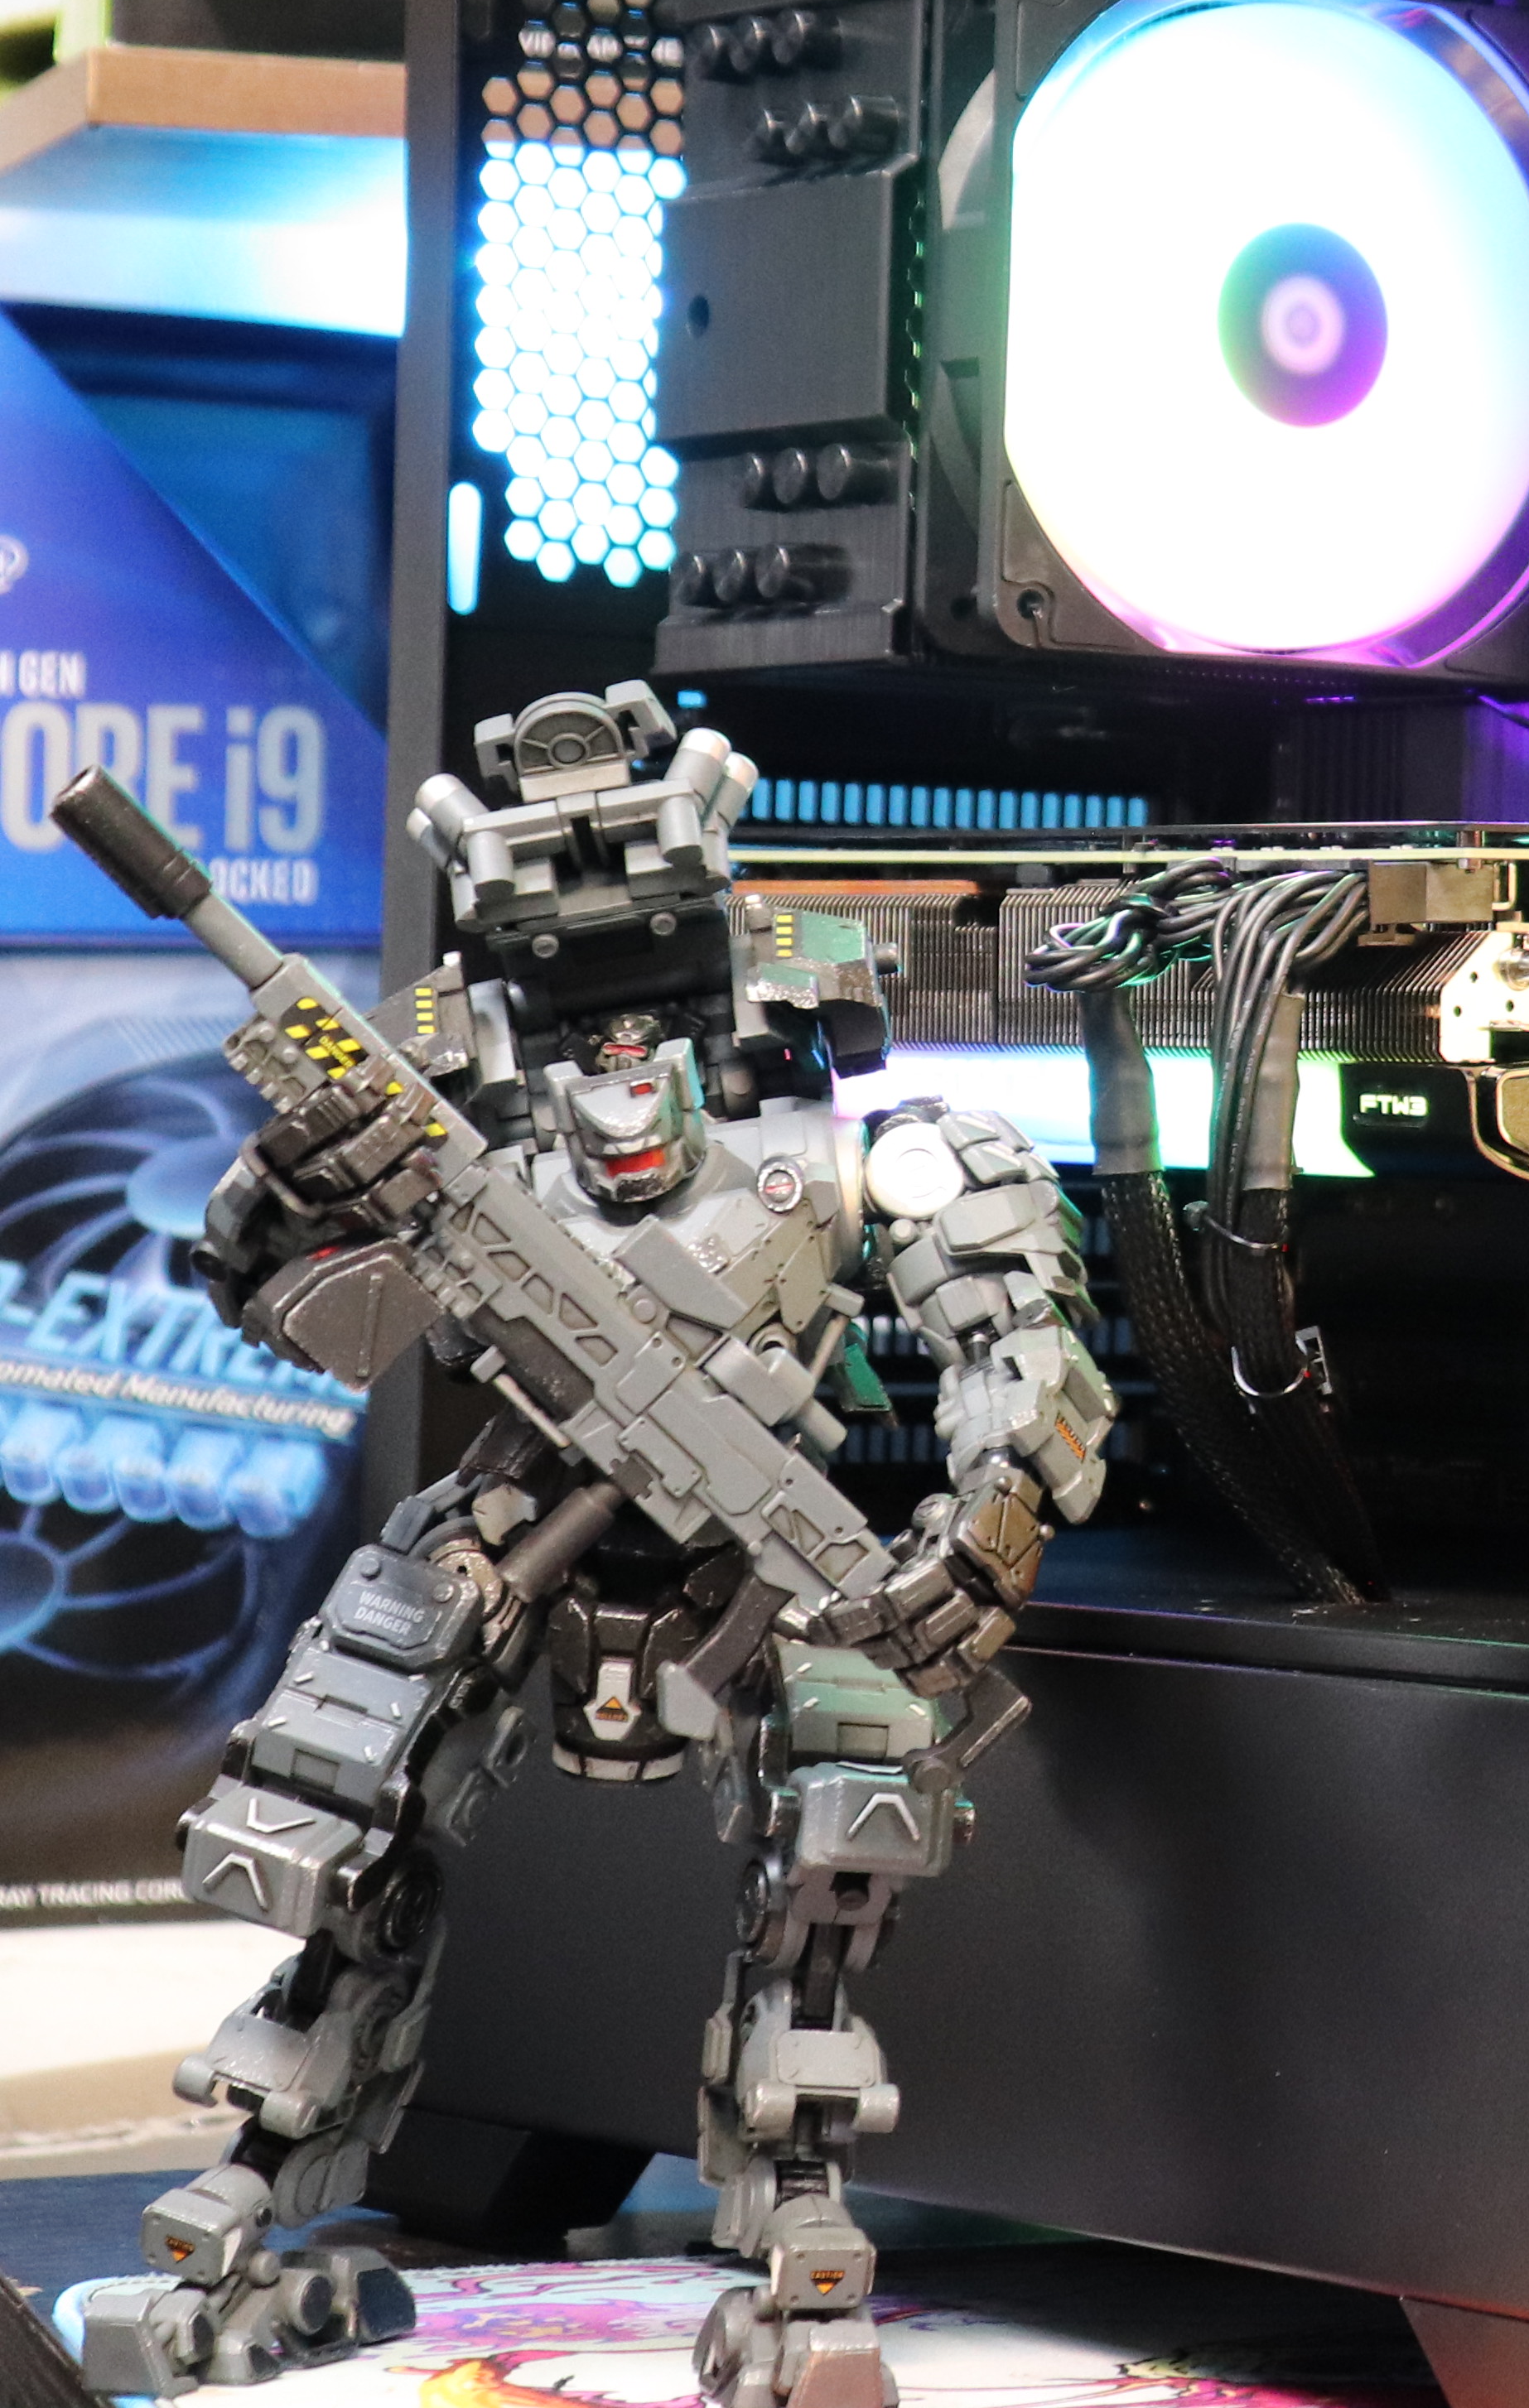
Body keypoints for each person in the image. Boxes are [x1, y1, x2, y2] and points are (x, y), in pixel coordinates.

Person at [80, 689, 1112, 2408]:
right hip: (513, 1524)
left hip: (763, 1563)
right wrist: (302, 1180)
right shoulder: (458, 1135)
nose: (622, 1070)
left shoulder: (858, 1145)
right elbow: (255, 1283)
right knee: (334, 1825)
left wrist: (982, 1538)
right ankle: (238, 2199)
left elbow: (1023, 1347)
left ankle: (798, 2227)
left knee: (828, 1871)